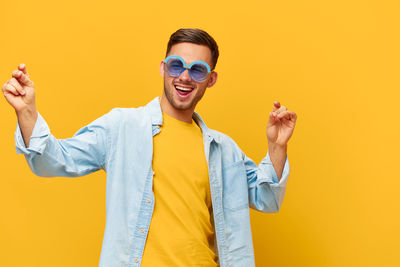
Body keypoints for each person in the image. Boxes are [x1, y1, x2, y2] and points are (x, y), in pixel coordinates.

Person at [2, 28, 297, 267]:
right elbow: (51, 161)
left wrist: (277, 146)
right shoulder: (122, 127)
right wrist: (27, 112)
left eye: (198, 70)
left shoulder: (223, 150)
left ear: (211, 79)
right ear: (163, 67)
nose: (184, 76)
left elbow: (267, 198)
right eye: (176, 65)